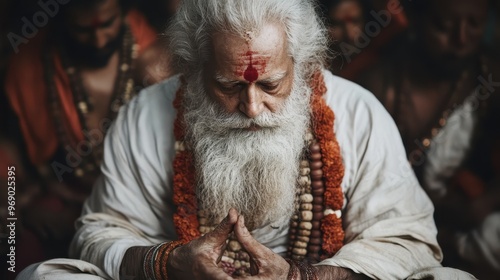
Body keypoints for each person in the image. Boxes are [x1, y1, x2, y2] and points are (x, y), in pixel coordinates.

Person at [18, 0, 476, 279]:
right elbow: (98, 232)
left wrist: (302, 278)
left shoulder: (357, 112)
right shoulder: (144, 116)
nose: (253, 108)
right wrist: (169, 264)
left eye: (271, 85)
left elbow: (409, 239)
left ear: (304, 62)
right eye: (230, 86)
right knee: (45, 275)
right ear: (196, 69)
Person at [3, 0, 171, 276]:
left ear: (125, 11)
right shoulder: (30, 68)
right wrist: (12, 205)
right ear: (61, 21)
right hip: (62, 196)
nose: (98, 39)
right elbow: (8, 154)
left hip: (141, 200)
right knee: (14, 245)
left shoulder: (155, 62)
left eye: (108, 24)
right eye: (83, 30)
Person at [358, 0, 500, 278]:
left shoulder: (489, 76)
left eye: (474, 25)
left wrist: (486, 201)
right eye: (444, 26)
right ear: (416, 19)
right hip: (399, 227)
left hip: (474, 223)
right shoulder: (380, 87)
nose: (461, 39)